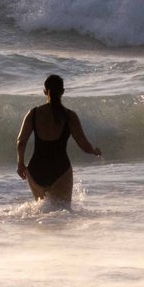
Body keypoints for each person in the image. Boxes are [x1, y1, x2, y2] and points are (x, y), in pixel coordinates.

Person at [15, 74, 102, 205]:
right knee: (63, 213)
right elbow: (84, 145)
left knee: (42, 213)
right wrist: (95, 151)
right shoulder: (69, 116)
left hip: (36, 170)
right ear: (62, 92)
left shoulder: (33, 114)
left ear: (45, 91)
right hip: (60, 169)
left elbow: (21, 141)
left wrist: (20, 164)